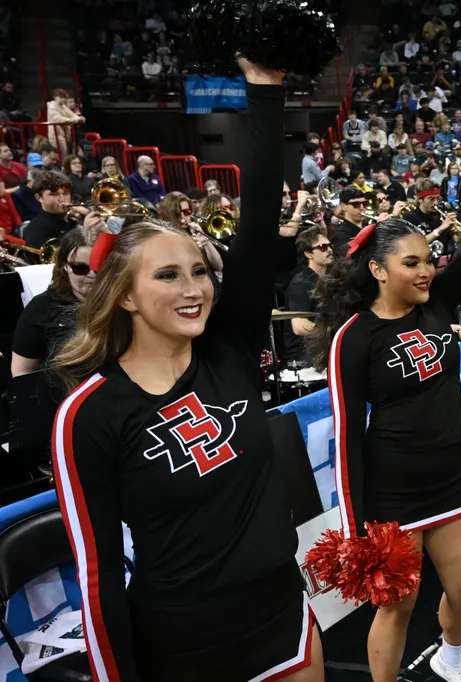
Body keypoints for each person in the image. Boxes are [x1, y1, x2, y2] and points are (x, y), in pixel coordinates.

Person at [50, 59, 325, 682]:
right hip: (186, 647)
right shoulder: (89, 413)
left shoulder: (227, 349)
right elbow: (95, 580)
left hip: (283, 614)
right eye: (168, 275)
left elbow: (256, 224)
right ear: (122, 294)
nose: (193, 288)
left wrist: (267, 89)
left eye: (199, 270)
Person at [309, 135, 461, 682]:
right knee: (397, 605)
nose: (426, 270)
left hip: (449, 478)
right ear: (377, 269)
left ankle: (452, 656)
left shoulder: (436, 300)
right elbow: (345, 434)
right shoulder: (354, 337)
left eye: (428, 260)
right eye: (411, 262)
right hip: (391, 492)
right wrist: (354, 524)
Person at [11, 226, 99, 376]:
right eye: (80, 268)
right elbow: (21, 374)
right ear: (64, 265)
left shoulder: (123, 302)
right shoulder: (41, 308)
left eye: (98, 267)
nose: (91, 275)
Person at [284, 226, 333, 364]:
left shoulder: (329, 279)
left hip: (323, 349)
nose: (329, 250)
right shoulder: (300, 283)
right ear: (308, 254)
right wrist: (333, 334)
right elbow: (299, 326)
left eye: (330, 246)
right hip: (304, 356)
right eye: (323, 247)